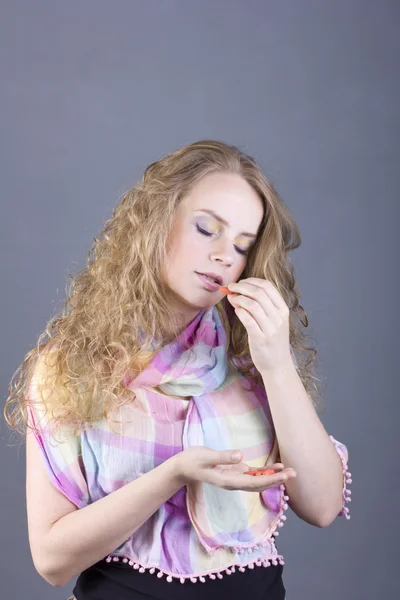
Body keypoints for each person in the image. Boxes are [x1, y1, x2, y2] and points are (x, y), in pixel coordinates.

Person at [4, 139, 351, 600]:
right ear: (155, 223)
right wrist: (175, 474)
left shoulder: (251, 359)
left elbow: (324, 506)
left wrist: (278, 364)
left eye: (243, 245)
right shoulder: (73, 365)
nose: (226, 255)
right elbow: (51, 560)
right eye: (207, 229)